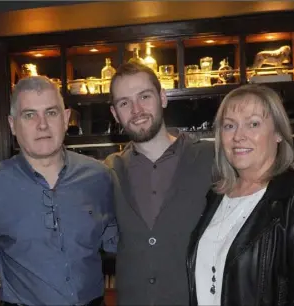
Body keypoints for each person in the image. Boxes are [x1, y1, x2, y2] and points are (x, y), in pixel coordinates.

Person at [186, 84, 294, 305]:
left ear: (278, 134)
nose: (238, 136)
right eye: (229, 126)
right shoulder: (216, 195)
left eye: (253, 124)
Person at [0, 75, 118, 305]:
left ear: (65, 119)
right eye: (30, 115)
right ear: (13, 125)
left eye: (51, 113)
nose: (42, 125)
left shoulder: (98, 176)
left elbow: (123, 242)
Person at [103, 62, 215, 305]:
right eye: (124, 103)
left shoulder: (211, 158)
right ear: (115, 114)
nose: (136, 109)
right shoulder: (109, 171)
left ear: (163, 98)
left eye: (144, 96)